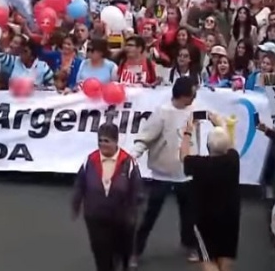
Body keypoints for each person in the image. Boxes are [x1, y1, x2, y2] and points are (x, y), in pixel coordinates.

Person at [131, 76, 198, 266]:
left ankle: (190, 244)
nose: (194, 98)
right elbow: (145, 137)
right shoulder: (162, 112)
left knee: (189, 215)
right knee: (149, 215)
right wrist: (132, 156)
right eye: (191, 95)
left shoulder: (194, 111)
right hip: (162, 174)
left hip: (186, 174)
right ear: (182, 95)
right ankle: (135, 250)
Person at [72, 123, 142, 271]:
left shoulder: (128, 162)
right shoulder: (90, 160)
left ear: (116, 141)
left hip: (121, 218)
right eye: (100, 141)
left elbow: (136, 190)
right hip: (95, 215)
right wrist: (76, 206)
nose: (103, 144)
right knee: (100, 251)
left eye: (107, 141)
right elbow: (80, 184)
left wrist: (132, 214)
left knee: (121, 251)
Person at [179, 116, 241, 271]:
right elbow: (231, 144)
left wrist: (187, 133)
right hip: (230, 218)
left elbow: (183, 156)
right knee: (225, 257)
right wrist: (220, 123)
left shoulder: (198, 164)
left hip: (204, 219)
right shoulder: (233, 160)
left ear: (207, 145)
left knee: (207, 258)